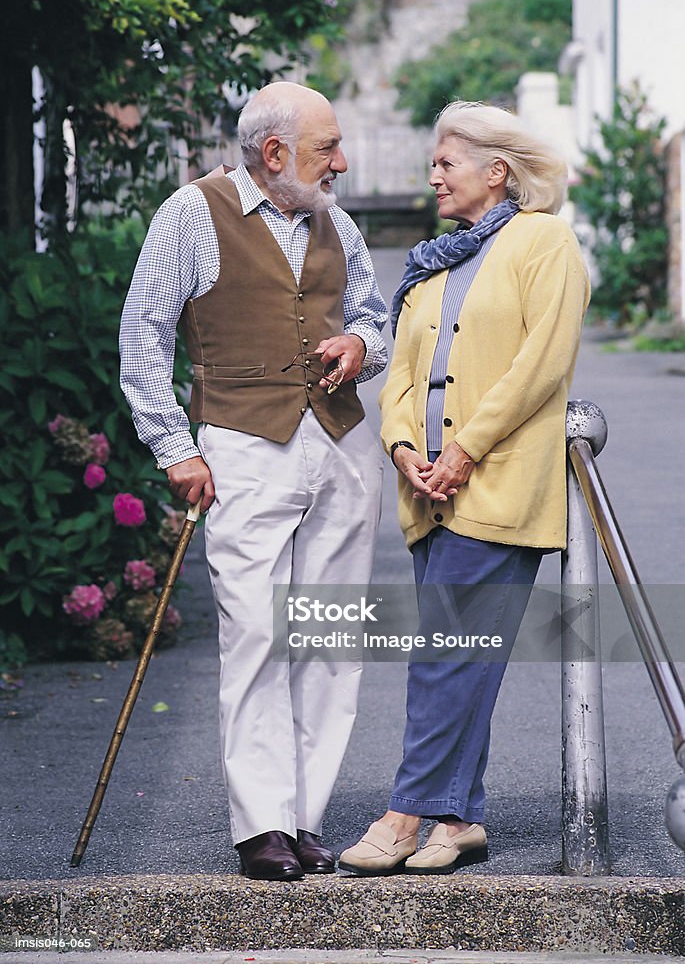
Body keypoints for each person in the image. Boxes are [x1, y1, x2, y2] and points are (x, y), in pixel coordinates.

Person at [119, 82, 387, 881]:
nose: (341, 162)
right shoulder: (191, 214)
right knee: (260, 635)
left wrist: (361, 349)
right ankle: (260, 824)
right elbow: (143, 330)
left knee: (332, 638)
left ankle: (303, 819)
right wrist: (174, 447)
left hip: (339, 446)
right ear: (274, 154)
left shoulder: (337, 222)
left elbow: (375, 313)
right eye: (325, 147)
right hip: (241, 445)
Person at [339, 100, 590, 877]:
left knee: (442, 655)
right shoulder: (434, 261)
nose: (433, 175)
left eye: (446, 162)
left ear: (497, 170)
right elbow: (403, 378)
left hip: (497, 487)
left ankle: (404, 813)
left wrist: (466, 449)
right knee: (460, 653)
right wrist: (405, 445)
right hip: (429, 491)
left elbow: (540, 363)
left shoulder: (543, 242)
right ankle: (461, 818)